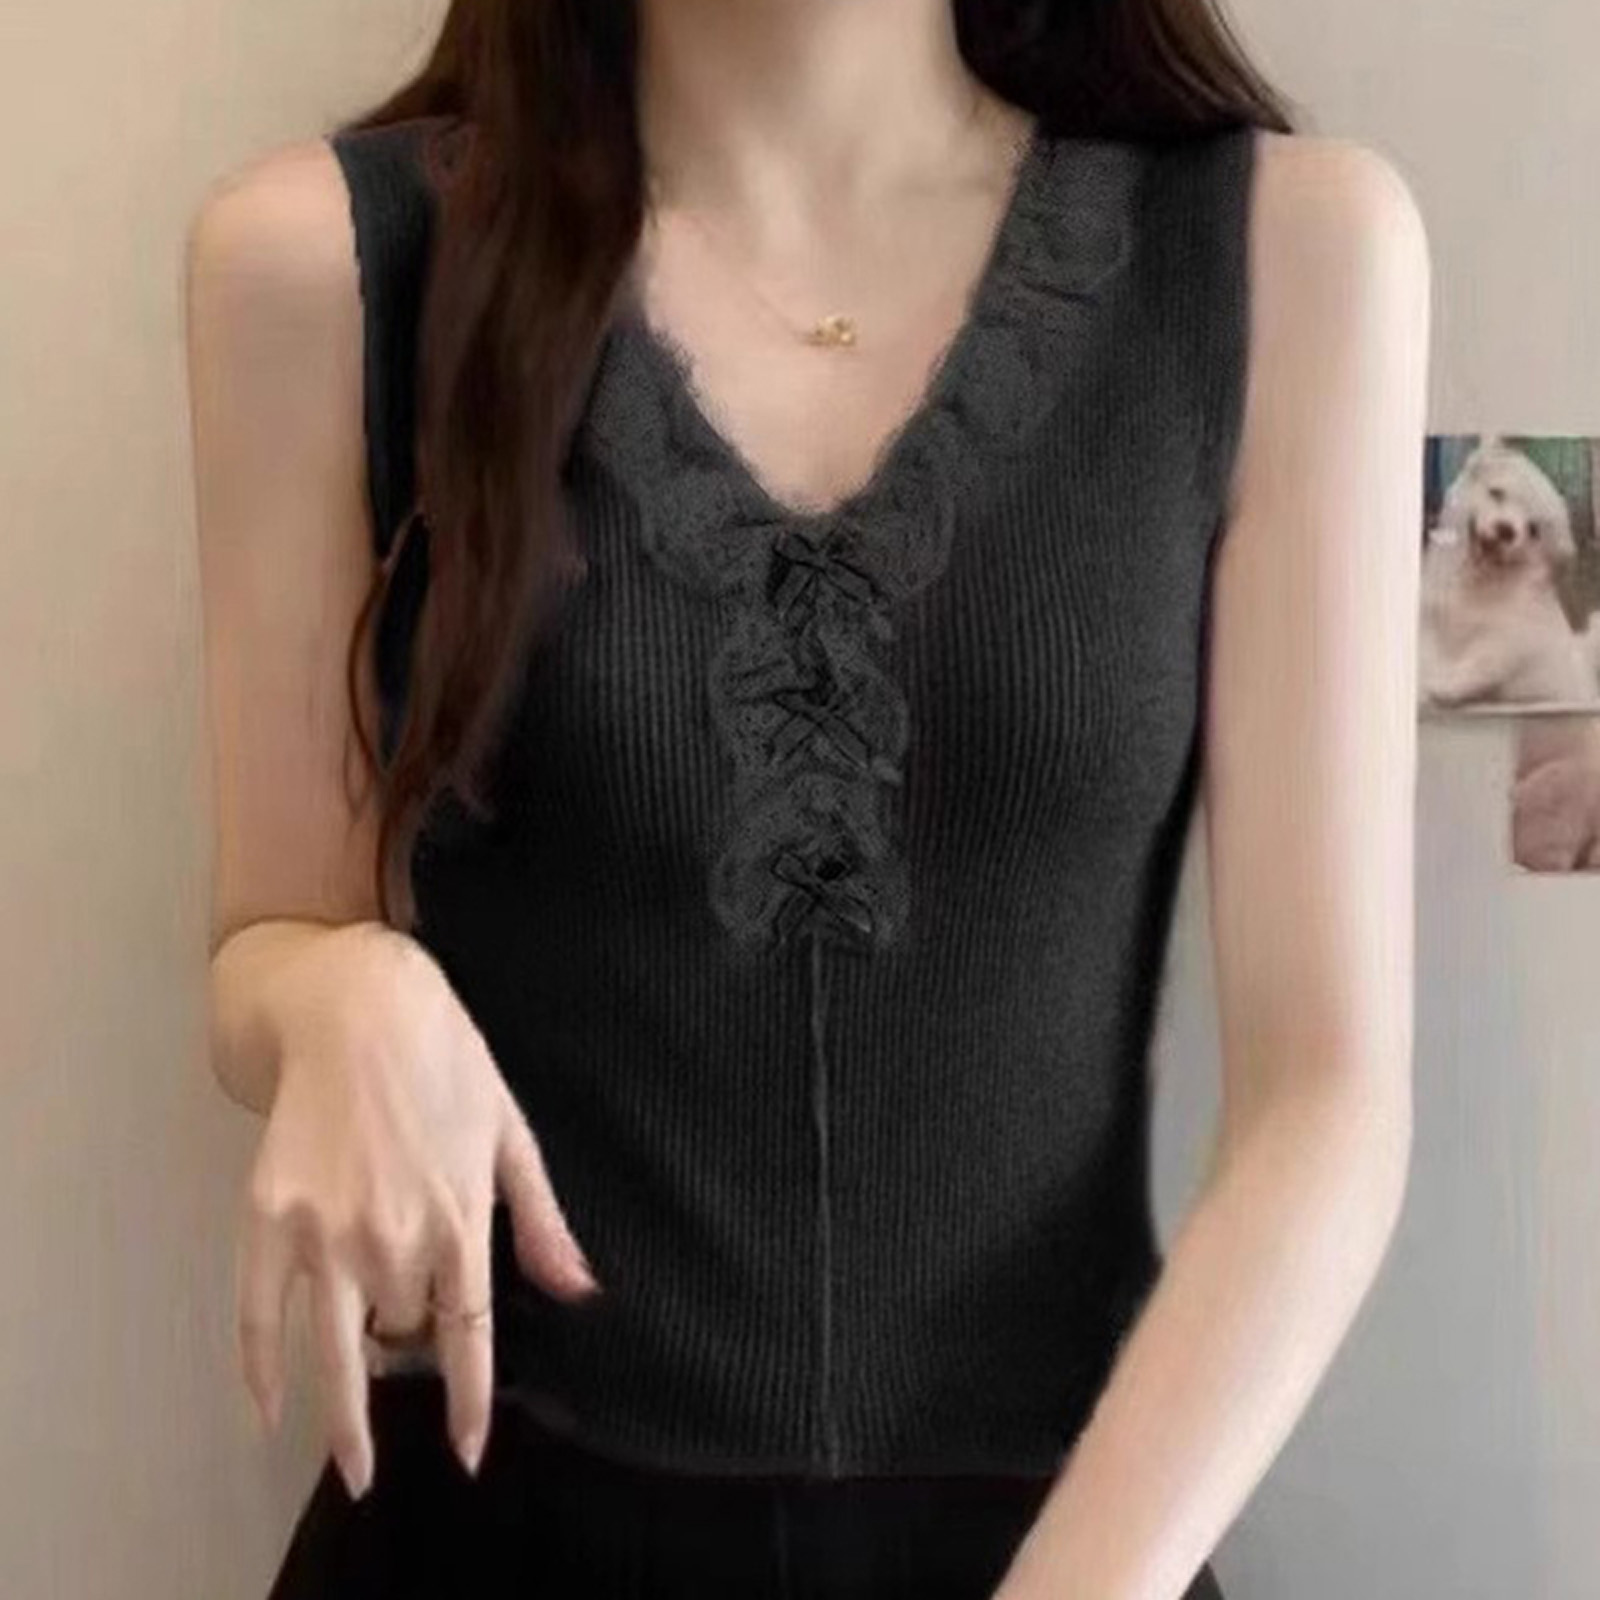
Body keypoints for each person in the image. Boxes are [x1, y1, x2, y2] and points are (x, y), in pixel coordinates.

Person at [185, 1, 1427, 1595]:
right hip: (489, 1534)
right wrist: (334, 986)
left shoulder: (1284, 254)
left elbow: (1329, 1097)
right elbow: (266, 938)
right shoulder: (318, 264)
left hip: (1075, 1545)